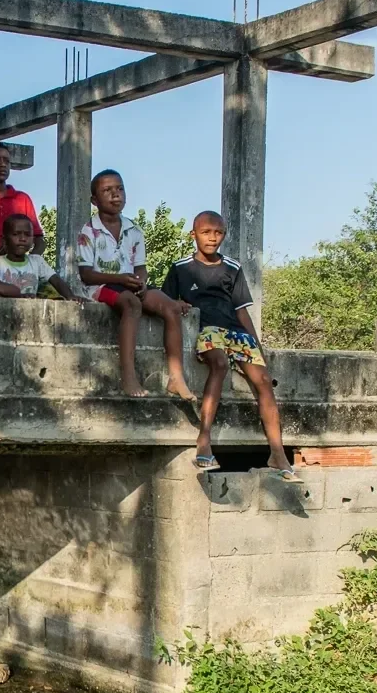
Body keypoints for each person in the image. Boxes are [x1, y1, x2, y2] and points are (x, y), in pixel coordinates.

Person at [164, 210, 293, 478]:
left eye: (218, 233)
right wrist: (178, 303)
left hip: (235, 330)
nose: (212, 238)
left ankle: (277, 452)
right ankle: (204, 439)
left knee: (263, 380)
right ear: (194, 235)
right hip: (206, 329)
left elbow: (241, 310)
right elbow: (166, 303)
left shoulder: (232, 268)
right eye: (206, 232)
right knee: (219, 364)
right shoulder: (181, 268)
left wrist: (257, 346)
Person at [74, 169, 194, 399]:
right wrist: (120, 279)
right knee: (131, 304)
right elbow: (86, 275)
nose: (115, 194)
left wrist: (141, 281)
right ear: (94, 200)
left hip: (128, 284)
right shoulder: (89, 232)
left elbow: (140, 267)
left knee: (170, 307)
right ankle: (128, 377)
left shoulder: (133, 229)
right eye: (107, 191)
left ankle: (176, 377)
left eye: (119, 189)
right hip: (100, 288)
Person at [0, 212, 75, 299]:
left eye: (27, 235)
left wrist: (71, 297)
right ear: (4, 239)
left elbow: (57, 281)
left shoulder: (37, 261)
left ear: (33, 239)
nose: (22, 239)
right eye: (16, 234)